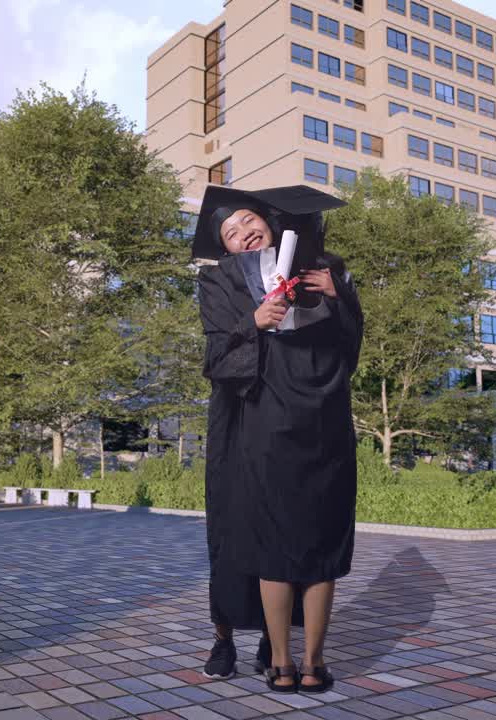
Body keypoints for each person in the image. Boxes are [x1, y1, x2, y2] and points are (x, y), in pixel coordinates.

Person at [192, 185, 363, 694]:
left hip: (317, 419)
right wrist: (254, 322)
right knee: (236, 530)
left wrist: (339, 297)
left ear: (267, 220)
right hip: (247, 416)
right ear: (224, 247)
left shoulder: (319, 268)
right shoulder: (220, 280)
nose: (244, 233)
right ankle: (225, 636)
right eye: (230, 232)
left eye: (248, 221)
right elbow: (217, 359)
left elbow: (347, 350)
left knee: (309, 537)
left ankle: (286, 650)